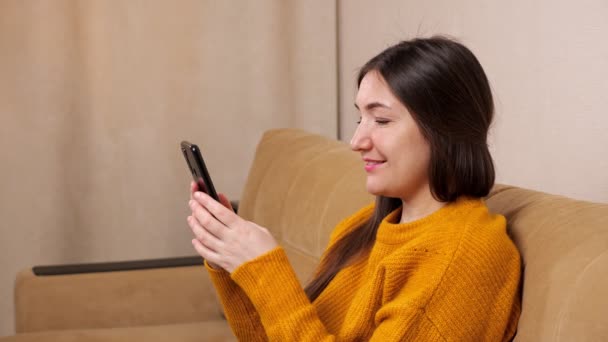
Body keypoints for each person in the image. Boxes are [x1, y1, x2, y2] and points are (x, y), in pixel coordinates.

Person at [186, 36, 521, 341]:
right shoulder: (364, 228)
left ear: (445, 130)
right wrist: (231, 260)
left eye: (382, 120)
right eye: (360, 118)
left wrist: (265, 269)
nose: (356, 141)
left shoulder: (464, 256)